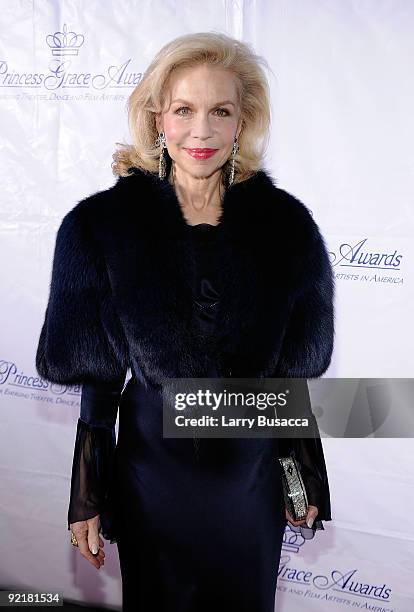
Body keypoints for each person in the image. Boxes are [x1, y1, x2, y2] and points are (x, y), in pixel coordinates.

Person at [35, 31, 334, 612]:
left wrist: (300, 474)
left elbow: (288, 376)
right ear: (157, 119)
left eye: (220, 111)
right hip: (152, 477)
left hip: (249, 477)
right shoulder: (101, 227)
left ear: (242, 121)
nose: (202, 131)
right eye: (184, 110)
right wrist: (88, 494)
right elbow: (99, 377)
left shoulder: (286, 228)